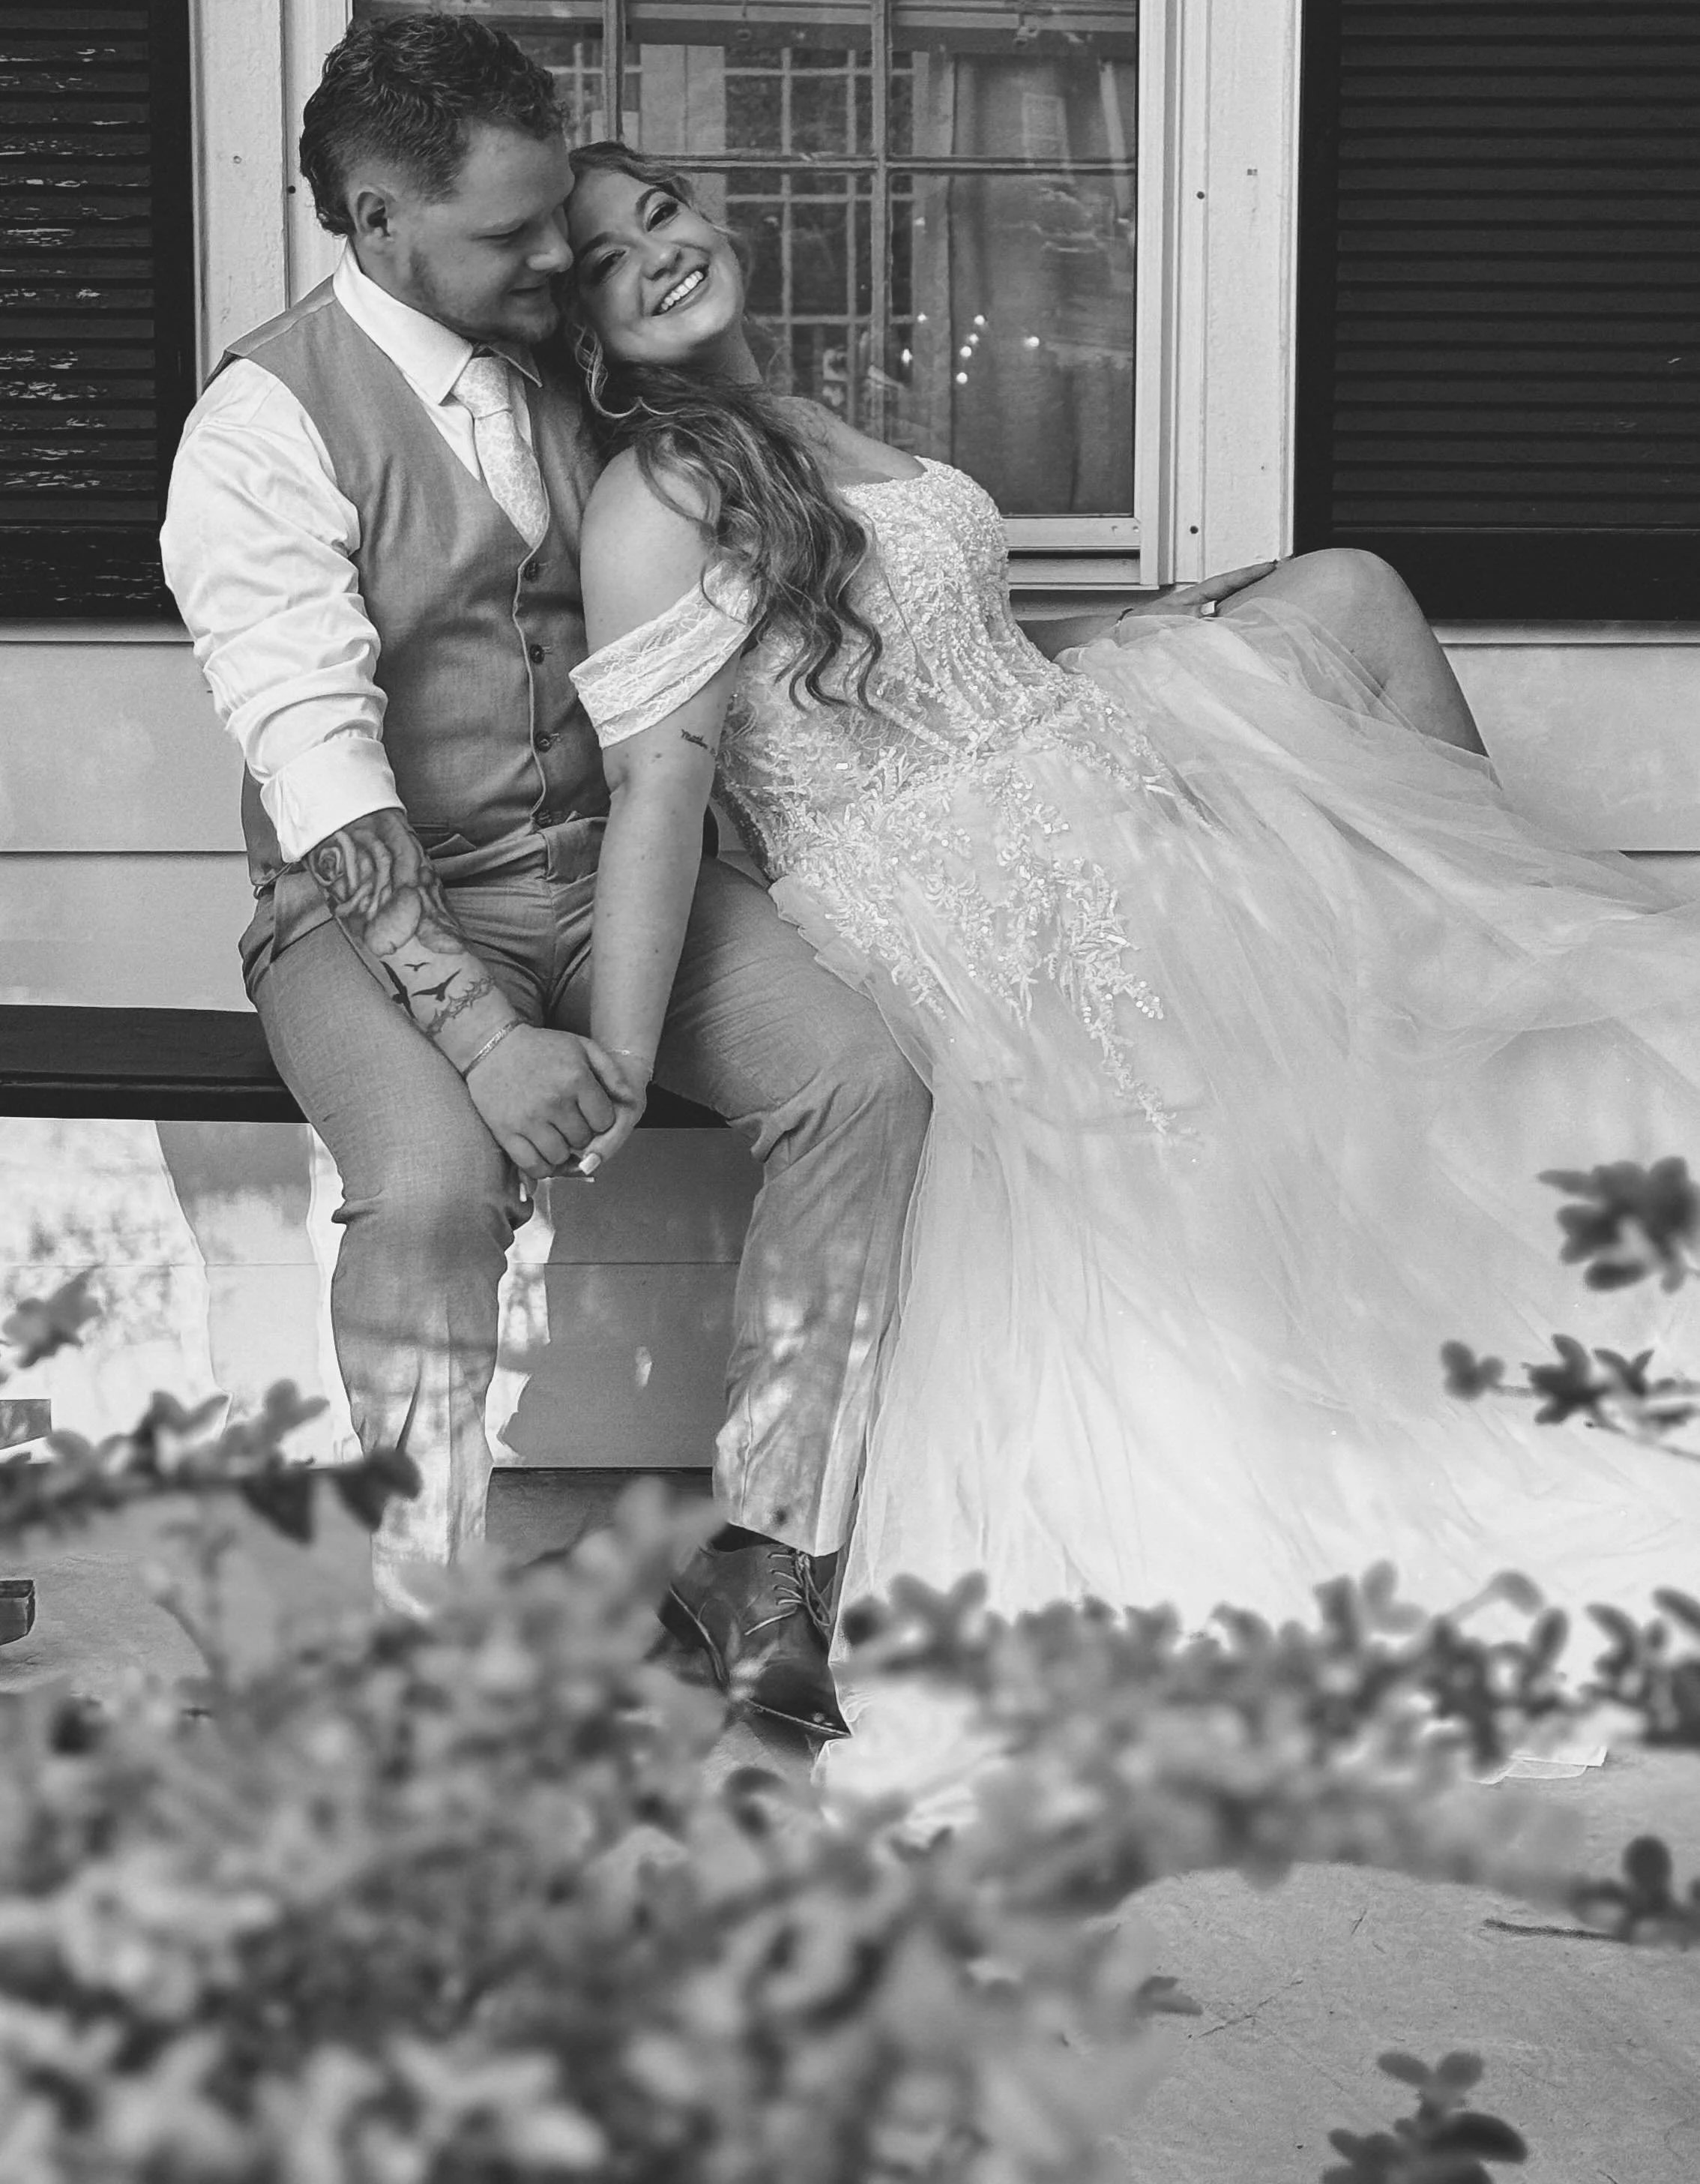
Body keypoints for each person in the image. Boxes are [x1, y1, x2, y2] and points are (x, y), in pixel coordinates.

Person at [561, 139, 1700, 1769]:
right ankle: (1441, 1004)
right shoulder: (657, 493)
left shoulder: (805, 418)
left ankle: (1463, 979)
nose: (658, 252)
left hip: (1051, 757)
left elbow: (949, 649)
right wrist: (616, 1049)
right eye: (609, 258)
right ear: (586, 331)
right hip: (946, 875)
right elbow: (662, 788)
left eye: (660, 211)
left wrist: (1140, 632)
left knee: (1344, 595)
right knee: (1242, 1028)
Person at [161, 15, 937, 1735]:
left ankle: (768, 1558)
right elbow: (316, 765)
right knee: (434, 1189)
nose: (547, 260)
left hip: (608, 872)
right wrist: (483, 1036)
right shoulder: (261, 427)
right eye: (510, 233)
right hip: (367, 911)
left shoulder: (562, 363)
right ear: (378, 222)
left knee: (863, 1080)